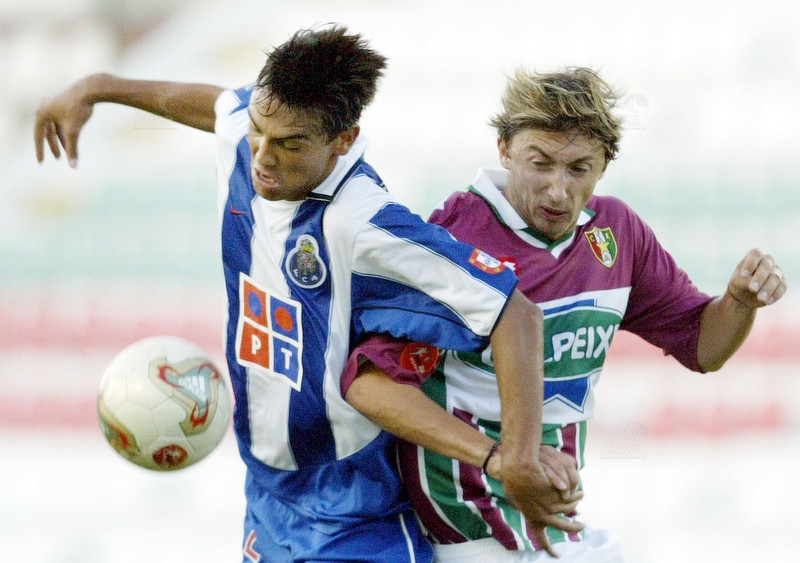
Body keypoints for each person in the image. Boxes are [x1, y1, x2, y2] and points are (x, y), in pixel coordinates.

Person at [33, 26, 583, 562]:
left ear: (342, 140)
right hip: (269, 495)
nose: (263, 157)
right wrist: (100, 87)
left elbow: (516, 315)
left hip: (353, 509)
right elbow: (218, 107)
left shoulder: (365, 222)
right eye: (259, 133)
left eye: (291, 144)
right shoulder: (254, 136)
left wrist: (514, 460)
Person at [342, 66, 788, 562]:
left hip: (548, 521)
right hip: (470, 527)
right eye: (541, 163)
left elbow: (704, 347)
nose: (557, 190)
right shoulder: (455, 238)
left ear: (603, 166)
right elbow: (371, 384)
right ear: (504, 149)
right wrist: (500, 459)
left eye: (578, 169)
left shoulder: (616, 234)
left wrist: (739, 302)